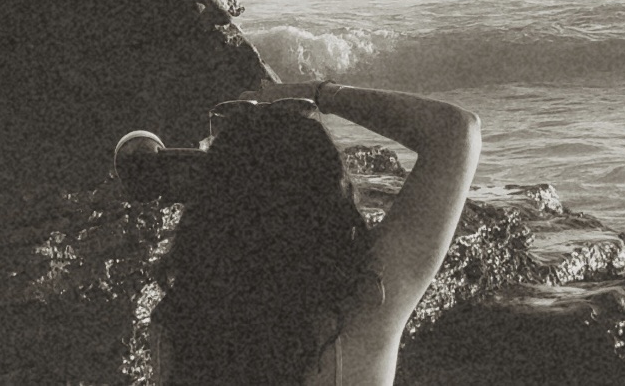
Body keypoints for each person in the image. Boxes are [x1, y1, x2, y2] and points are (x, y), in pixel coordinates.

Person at [149, 79, 481, 386]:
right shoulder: (364, 308)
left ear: (210, 209)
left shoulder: (181, 325)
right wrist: (320, 92)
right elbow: (455, 132)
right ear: (329, 200)